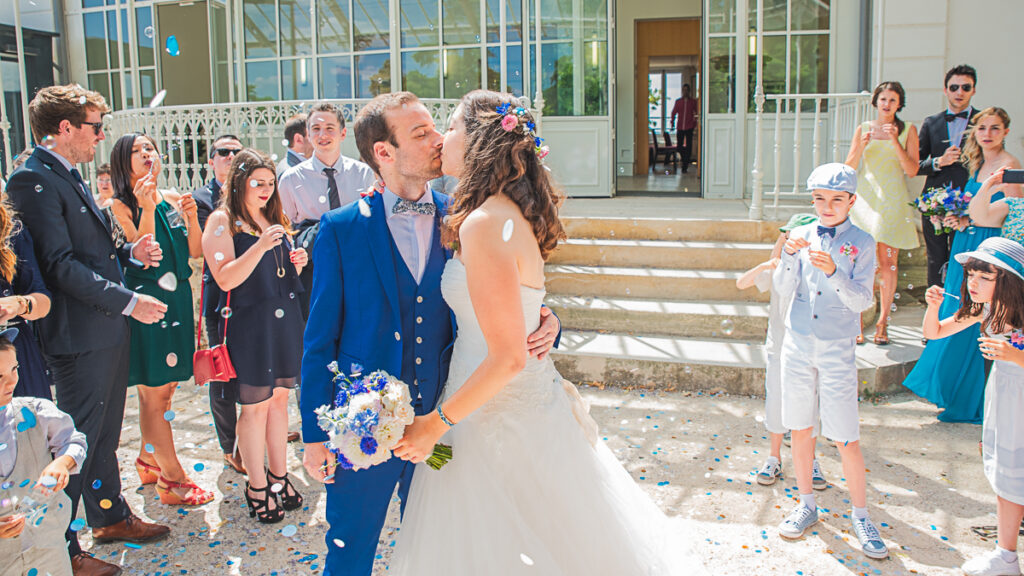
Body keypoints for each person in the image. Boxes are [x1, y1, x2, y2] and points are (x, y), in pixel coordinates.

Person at [383, 90, 705, 575]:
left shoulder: (484, 223)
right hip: (512, 403)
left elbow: (509, 355)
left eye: (449, 126)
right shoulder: (503, 214)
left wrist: (435, 425)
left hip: (491, 410)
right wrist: (544, 318)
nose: (441, 139)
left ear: (477, 142)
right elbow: (515, 305)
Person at [299, 91, 562, 576]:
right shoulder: (339, 229)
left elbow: (509, 299)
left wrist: (549, 323)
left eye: (437, 128)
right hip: (365, 429)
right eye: (421, 133)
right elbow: (319, 339)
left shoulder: (466, 217)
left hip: (447, 432)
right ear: (384, 152)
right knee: (349, 551)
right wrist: (316, 435)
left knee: (443, 547)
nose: (439, 138)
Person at [5, 84, 169, 575]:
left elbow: (90, 251)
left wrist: (128, 255)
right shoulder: (31, 181)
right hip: (79, 337)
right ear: (65, 128)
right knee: (72, 442)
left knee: (101, 436)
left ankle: (109, 515)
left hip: (103, 330)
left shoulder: (65, 174)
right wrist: (128, 300)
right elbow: (58, 266)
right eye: (96, 127)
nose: (102, 137)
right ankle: (64, 547)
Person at [773, 163, 887, 560]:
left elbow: (862, 301)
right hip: (798, 344)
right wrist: (787, 258)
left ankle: (861, 515)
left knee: (846, 437)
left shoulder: (863, 241)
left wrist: (835, 270)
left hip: (838, 347)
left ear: (852, 201)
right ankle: (806, 504)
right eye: (820, 198)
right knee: (800, 428)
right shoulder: (800, 235)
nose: (827, 206)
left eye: (837, 199)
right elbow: (782, 290)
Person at [202, 148, 307, 524]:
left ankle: (279, 478)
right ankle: (256, 485)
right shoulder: (223, 220)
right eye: (257, 183)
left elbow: (277, 270)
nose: (265, 189)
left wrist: (296, 260)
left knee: (280, 403)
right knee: (254, 408)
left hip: (283, 319)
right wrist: (262, 246)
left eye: (270, 182)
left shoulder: (272, 217)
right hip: (249, 325)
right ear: (239, 183)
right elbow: (225, 277)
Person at [108, 133, 211, 506]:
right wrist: (146, 206)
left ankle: (148, 460)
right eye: (137, 151)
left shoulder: (170, 198)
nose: (147, 154)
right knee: (153, 395)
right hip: (147, 303)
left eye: (150, 148)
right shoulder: (118, 206)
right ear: (123, 161)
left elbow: (195, 252)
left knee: (165, 390)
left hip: (178, 298)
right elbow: (146, 255)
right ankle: (173, 478)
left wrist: (190, 217)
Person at [904, 107, 1021, 424]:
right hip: (966, 244)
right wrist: (956, 218)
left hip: (988, 248)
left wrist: (974, 219)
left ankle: (973, 398)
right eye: (982, 128)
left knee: (982, 320)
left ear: (1005, 132)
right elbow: (975, 209)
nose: (988, 134)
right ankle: (951, 391)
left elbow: (1010, 215)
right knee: (959, 312)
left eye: (995, 128)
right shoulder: (978, 163)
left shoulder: (1009, 166)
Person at [920, 237, 1024, 576]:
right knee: (1007, 475)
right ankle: (1006, 556)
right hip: (1006, 400)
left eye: (984, 276)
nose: (973, 283)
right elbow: (934, 332)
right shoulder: (984, 310)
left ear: (1007, 280)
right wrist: (932, 306)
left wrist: (1016, 355)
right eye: (970, 275)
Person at [736, 213, 827, 489]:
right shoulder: (777, 269)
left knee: (811, 404)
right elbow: (741, 283)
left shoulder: (818, 271)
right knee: (775, 401)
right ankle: (774, 457)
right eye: (788, 237)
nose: (792, 241)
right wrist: (768, 262)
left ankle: (810, 461)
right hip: (779, 346)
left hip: (810, 348)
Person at [191, 134, 257, 472]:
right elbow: (209, 248)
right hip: (220, 295)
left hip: (252, 298)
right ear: (211, 160)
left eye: (236, 151)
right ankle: (229, 445)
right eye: (223, 152)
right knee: (222, 372)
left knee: (251, 369)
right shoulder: (203, 200)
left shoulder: (253, 196)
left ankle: (252, 435)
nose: (229, 156)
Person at [0, 328, 87, 576]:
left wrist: (63, 462)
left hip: (47, 546)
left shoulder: (36, 410)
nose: (11, 382)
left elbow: (73, 440)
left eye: (14, 369)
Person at [278, 102, 376, 318]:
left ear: (342, 133)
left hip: (356, 265)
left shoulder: (363, 174)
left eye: (330, 128)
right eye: (316, 129)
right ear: (308, 134)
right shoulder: (291, 180)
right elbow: (286, 229)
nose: (323, 134)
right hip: (313, 269)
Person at [844, 81, 920, 345]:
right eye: (883, 99)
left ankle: (883, 322)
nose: (887, 104)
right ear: (876, 102)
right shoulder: (863, 129)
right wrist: (862, 146)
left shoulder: (908, 130)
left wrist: (894, 141)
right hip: (866, 201)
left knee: (888, 263)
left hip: (892, 202)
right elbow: (849, 167)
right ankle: (857, 321)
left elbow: (911, 170)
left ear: (900, 104)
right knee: (860, 262)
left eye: (893, 100)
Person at [918, 64, 979, 289]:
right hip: (935, 201)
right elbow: (915, 165)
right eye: (954, 87)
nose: (959, 92)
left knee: (966, 256)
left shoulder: (983, 122)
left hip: (970, 201)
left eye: (965, 87)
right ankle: (935, 309)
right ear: (945, 90)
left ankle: (962, 305)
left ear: (973, 90)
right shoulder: (931, 122)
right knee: (935, 257)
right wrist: (938, 162)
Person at [0, 199, 54, 402]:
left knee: (29, 432)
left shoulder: (11, 229)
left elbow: (43, 301)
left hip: (14, 353)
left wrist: (20, 304)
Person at [669, 83, 698, 173]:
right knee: (679, 147)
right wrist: (672, 123)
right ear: (682, 91)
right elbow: (673, 112)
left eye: (686, 90)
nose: (685, 92)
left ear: (689, 91)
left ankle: (684, 166)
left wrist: (694, 124)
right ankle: (684, 158)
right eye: (683, 90)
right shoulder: (678, 101)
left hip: (689, 127)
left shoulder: (693, 102)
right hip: (680, 127)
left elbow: (696, 113)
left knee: (689, 146)